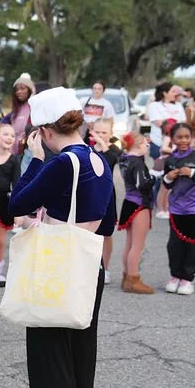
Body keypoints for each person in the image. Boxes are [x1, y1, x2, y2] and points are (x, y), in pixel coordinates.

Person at [6, 87, 112, 388]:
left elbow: (15, 204)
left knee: (50, 354)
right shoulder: (100, 160)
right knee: (81, 351)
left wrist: (34, 162)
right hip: (87, 265)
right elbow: (111, 222)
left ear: (46, 131)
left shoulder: (60, 163)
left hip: (57, 268)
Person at [162, 122, 195, 295]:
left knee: (193, 245)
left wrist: (192, 173)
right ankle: (175, 275)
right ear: (172, 139)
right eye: (179, 137)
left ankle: (187, 278)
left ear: (191, 138)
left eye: (187, 137)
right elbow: (166, 185)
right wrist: (168, 177)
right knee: (174, 245)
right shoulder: (170, 160)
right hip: (176, 209)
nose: (183, 140)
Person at [117, 132, 155, 294]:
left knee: (130, 243)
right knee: (137, 245)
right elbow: (142, 184)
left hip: (129, 201)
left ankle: (126, 277)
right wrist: (154, 177)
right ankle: (133, 278)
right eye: (145, 144)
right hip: (140, 203)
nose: (147, 147)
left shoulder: (124, 159)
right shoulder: (137, 163)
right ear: (139, 145)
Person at [0, 123, 21, 287]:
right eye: (6, 134)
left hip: (3, 204)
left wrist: (18, 209)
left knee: (0, 241)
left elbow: (16, 184)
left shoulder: (14, 160)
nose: (10, 138)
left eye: (12, 135)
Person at [148, 83, 186, 218]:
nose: (175, 93)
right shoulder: (155, 105)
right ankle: (157, 204)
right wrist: (170, 126)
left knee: (171, 176)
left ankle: (168, 205)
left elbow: (183, 124)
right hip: (158, 143)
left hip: (175, 145)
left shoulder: (179, 106)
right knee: (160, 175)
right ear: (164, 92)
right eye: (172, 91)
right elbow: (158, 122)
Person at [89, 118, 119, 282]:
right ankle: (90, 265)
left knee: (106, 234)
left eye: (104, 132)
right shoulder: (88, 149)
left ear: (111, 134)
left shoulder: (113, 151)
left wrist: (102, 142)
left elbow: (110, 159)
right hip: (90, 194)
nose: (100, 135)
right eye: (97, 132)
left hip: (107, 195)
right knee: (90, 231)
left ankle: (105, 268)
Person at [2, 73, 36, 154]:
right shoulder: (16, 109)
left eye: (22, 88)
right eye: (16, 89)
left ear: (30, 90)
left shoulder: (33, 106)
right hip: (12, 149)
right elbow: (3, 122)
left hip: (27, 150)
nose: (19, 92)